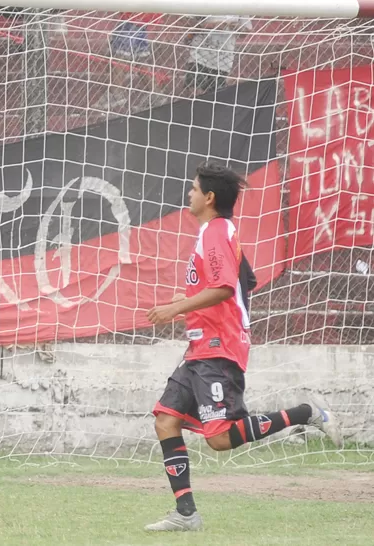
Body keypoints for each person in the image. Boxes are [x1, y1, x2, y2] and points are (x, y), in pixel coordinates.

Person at [144, 162, 344, 532]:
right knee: (166, 420)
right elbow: (237, 285)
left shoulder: (216, 232)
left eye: (192, 189)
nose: (187, 195)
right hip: (200, 349)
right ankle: (186, 514)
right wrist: (180, 304)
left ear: (209, 197)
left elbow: (223, 287)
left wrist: (175, 308)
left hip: (219, 349)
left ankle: (305, 413)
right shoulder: (216, 231)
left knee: (219, 439)